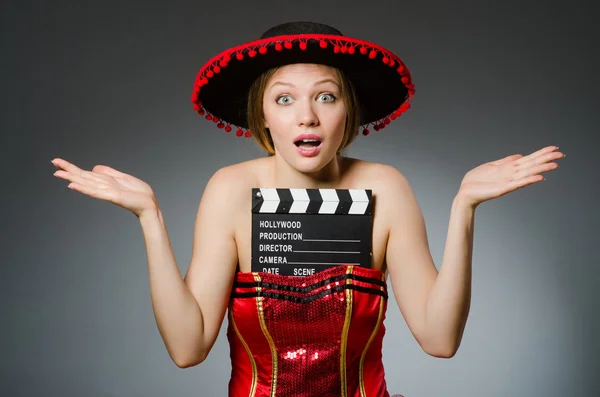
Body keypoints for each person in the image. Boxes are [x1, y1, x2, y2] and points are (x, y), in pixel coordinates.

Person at [51, 21, 564, 397]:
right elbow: (188, 350)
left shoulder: (385, 188)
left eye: (326, 96)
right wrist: (150, 219)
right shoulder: (230, 190)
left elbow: (440, 338)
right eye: (284, 99)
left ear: (348, 111)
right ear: (262, 116)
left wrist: (464, 207)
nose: (307, 116)